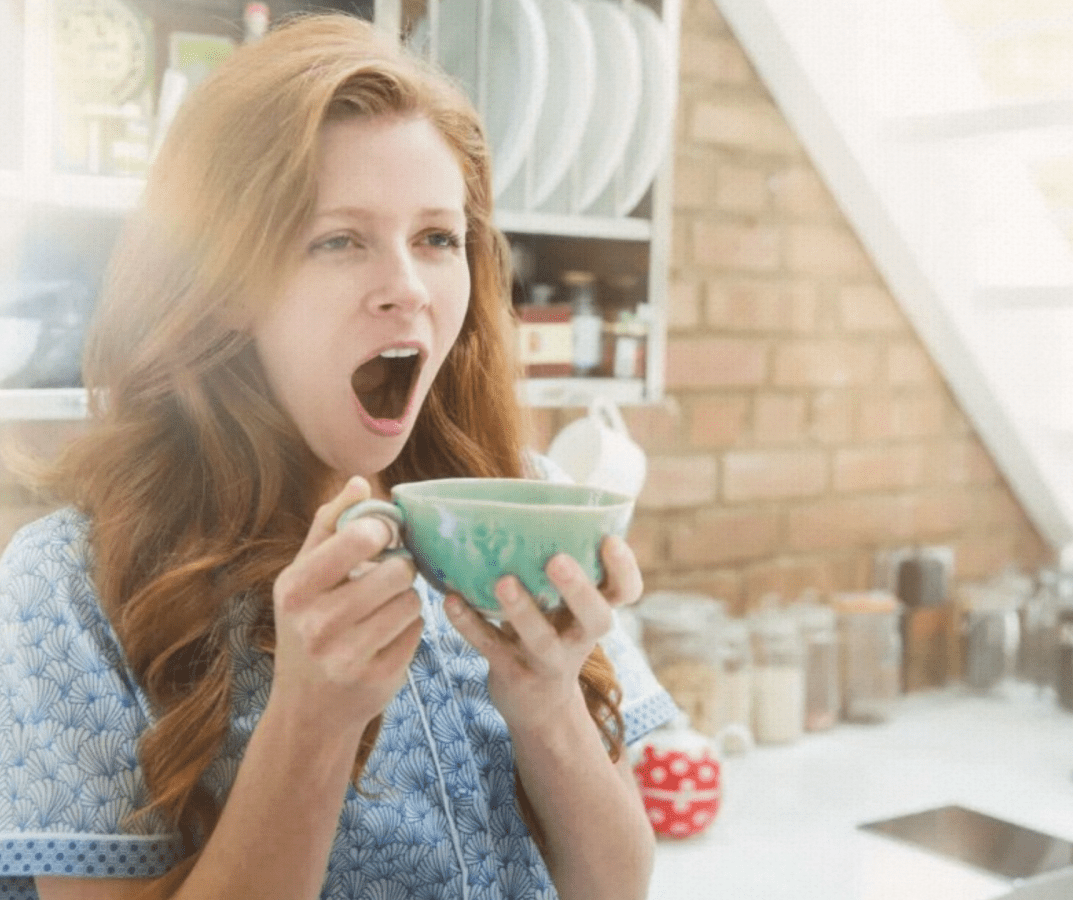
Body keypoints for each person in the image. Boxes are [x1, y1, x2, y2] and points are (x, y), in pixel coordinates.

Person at [0, 13, 676, 900]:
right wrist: (311, 724)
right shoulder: (70, 587)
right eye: (339, 240)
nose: (408, 288)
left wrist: (546, 694)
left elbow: (616, 886)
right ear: (229, 286)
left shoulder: (525, 511)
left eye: (437, 238)